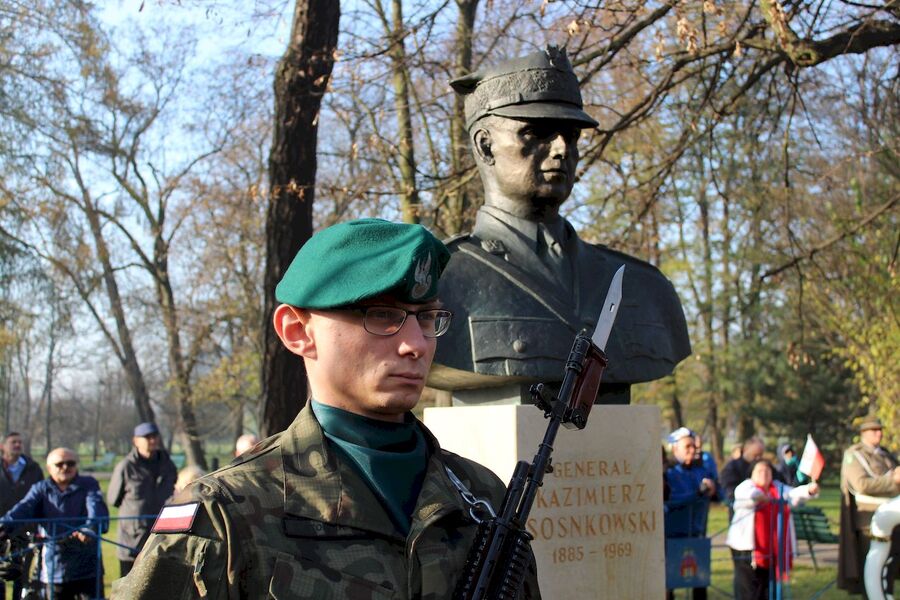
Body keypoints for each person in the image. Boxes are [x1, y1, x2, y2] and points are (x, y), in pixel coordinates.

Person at [113, 219, 540, 599]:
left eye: (426, 318)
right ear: (298, 331)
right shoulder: (225, 512)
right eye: (383, 315)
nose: (416, 344)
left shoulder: (481, 495)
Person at [430, 45, 691, 405]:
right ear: (485, 146)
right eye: (537, 133)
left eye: (571, 135)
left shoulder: (644, 288)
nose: (561, 149)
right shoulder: (441, 280)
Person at [0, 448, 108, 599]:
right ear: (49, 468)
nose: (65, 467)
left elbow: (96, 509)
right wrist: (3, 528)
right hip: (55, 568)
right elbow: (22, 510)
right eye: (60, 464)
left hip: (88, 568)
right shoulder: (40, 489)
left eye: (70, 463)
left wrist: (90, 529)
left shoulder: (88, 484)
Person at [726, 460, 819, 600]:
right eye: (759, 471)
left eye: (767, 471)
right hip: (747, 547)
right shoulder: (746, 486)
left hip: (772, 546)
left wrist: (809, 490)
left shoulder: (777, 488)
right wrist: (759, 496)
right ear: (752, 474)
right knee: (748, 586)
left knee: (767, 587)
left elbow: (793, 494)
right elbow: (747, 494)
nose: (764, 474)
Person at [838, 416, 900, 596]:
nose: (879, 433)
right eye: (874, 430)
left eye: (880, 429)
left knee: (889, 567)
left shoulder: (886, 454)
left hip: (893, 519)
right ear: (863, 433)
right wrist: (893, 482)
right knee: (872, 571)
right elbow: (861, 484)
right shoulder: (855, 455)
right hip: (870, 521)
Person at [107, 422, 177, 578]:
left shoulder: (167, 464)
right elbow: (113, 499)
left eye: (154, 436)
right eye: (147, 437)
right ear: (136, 441)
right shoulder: (126, 466)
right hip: (133, 539)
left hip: (163, 535)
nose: (152, 440)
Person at [664, 427, 716, 600]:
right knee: (669, 583)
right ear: (675, 448)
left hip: (696, 533)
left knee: (699, 581)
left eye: (694, 446)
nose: (693, 450)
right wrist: (697, 493)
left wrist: (712, 489)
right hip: (673, 536)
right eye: (687, 447)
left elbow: (719, 494)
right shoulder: (669, 472)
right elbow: (671, 499)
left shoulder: (700, 470)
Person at [0, 432, 43, 600]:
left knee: (23, 577)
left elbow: (40, 497)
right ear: (3, 446)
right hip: (1, 530)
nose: (17, 445)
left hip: (25, 531)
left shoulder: (33, 468)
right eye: (13, 442)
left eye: (20, 442)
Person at [720, 437, 766, 518]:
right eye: (755, 455)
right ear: (746, 450)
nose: (758, 458)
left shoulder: (764, 467)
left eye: (760, 455)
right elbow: (729, 489)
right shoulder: (732, 467)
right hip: (740, 512)